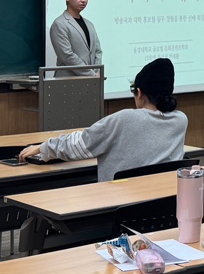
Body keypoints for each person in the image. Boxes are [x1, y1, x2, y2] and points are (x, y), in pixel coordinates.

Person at [19, 58, 186, 182]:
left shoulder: (125, 119)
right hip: (160, 204)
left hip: (118, 203)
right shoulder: (180, 121)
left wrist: (43, 147)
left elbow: (81, 144)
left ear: (139, 92)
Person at [49, 0, 101, 77]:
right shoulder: (59, 24)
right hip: (68, 80)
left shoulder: (89, 24)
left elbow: (97, 51)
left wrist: (96, 72)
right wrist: (91, 74)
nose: (83, 0)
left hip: (92, 80)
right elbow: (66, 55)